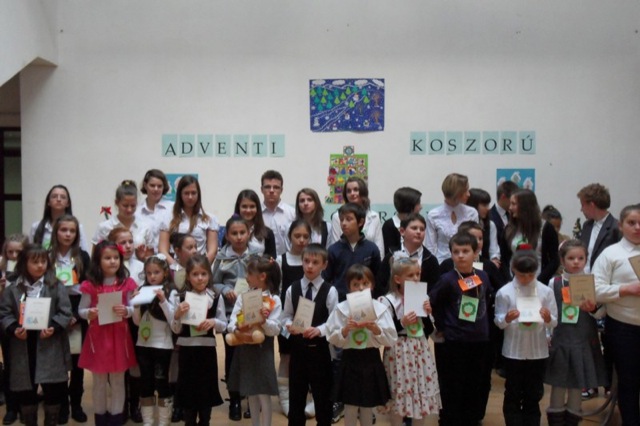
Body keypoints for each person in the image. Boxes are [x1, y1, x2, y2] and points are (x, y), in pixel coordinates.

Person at [0, 244, 72, 426]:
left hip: (49, 344)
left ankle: (51, 420)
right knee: (26, 388)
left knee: (53, 388)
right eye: (35, 262)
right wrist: (14, 329)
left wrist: (54, 327)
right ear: (24, 263)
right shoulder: (13, 288)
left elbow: (65, 312)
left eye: (43, 261)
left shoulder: (55, 285)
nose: (40, 265)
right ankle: (29, 420)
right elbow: (4, 313)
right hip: (22, 345)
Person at [429, 232, 493, 426]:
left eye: (465, 251)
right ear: (451, 255)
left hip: (479, 341)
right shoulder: (447, 279)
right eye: (456, 252)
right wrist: (441, 327)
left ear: (475, 253)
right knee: (452, 385)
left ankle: (471, 419)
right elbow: (434, 303)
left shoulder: (483, 276)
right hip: (454, 341)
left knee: (474, 384)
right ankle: (449, 420)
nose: (461, 256)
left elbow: (487, 298)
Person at [544, 240, 608, 426]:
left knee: (577, 384)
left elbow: (600, 313)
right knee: (558, 383)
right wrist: (547, 334)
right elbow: (549, 310)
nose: (576, 262)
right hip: (561, 340)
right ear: (562, 260)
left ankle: (572, 419)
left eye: (580, 258)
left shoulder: (592, 282)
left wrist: (593, 308)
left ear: (586, 259)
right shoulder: (554, 282)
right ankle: (556, 420)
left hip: (583, 340)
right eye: (571, 258)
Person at [327, 264, 397, 426]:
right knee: (350, 406)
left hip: (370, 359)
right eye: (355, 284)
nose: (360, 288)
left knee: (367, 406)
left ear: (372, 285)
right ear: (349, 287)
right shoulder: (341, 309)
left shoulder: (380, 309)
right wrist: (345, 330)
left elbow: (391, 339)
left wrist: (376, 329)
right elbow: (331, 337)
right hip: (349, 360)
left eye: (365, 283)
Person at [78, 241, 138, 426]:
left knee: (118, 380)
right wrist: (89, 313)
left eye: (116, 258)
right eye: (107, 258)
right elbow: (81, 310)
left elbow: (133, 308)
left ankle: (116, 418)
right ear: (98, 261)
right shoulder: (90, 285)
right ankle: (100, 418)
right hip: (98, 338)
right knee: (99, 381)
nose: (113, 261)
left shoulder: (127, 283)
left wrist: (126, 311)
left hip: (119, 337)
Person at [495, 250, 557, 426]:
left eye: (531, 275)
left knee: (534, 393)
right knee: (513, 392)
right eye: (522, 275)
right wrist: (507, 318)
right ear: (513, 269)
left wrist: (548, 318)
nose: (526, 279)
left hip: (538, 352)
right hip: (513, 351)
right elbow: (498, 322)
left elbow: (554, 322)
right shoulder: (505, 292)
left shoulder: (545, 291)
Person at [280, 243, 339, 426]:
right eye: (306, 261)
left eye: (315, 262)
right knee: (296, 400)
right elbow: (285, 316)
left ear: (324, 265)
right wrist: (289, 325)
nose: (310, 266)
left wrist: (319, 330)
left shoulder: (330, 291)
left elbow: (334, 320)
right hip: (298, 351)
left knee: (323, 401)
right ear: (301, 262)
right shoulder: (292, 288)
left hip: (321, 352)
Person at [380, 255, 441, 426]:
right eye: (410, 275)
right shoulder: (388, 300)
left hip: (419, 349)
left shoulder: (422, 297)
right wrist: (402, 322)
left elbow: (428, 329)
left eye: (418, 274)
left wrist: (427, 313)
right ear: (398, 279)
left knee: (420, 392)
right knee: (399, 394)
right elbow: (384, 332)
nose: (416, 278)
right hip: (398, 351)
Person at [593, 204, 640, 425]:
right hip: (623, 328)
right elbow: (595, 290)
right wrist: (625, 289)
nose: (637, 227)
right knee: (629, 382)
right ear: (621, 226)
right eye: (632, 223)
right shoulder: (610, 254)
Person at [170, 254, 226, 426]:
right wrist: (177, 315)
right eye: (195, 274)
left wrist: (213, 322)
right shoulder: (180, 298)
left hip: (207, 352)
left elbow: (223, 324)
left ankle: (205, 421)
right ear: (188, 276)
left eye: (203, 273)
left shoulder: (215, 297)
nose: (200, 278)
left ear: (209, 275)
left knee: (205, 393)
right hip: (187, 353)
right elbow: (175, 329)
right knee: (188, 394)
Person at [227, 255, 283, 426]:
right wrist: (237, 328)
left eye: (249, 273)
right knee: (251, 392)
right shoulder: (244, 296)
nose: (246, 277)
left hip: (263, 350)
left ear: (262, 276)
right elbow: (231, 323)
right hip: (245, 348)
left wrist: (264, 321)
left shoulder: (274, 299)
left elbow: (276, 329)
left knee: (263, 394)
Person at [212, 216, 257, 421]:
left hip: (253, 314)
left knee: (251, 356)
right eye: (234, 233)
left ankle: (252, 398)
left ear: (249, 233)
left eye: (242, 233)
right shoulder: (222, 258)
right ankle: (235, 399)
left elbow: (264, 280)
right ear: (227, 236)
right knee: (232, 356)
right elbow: (214, 283)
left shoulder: (256, 256)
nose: (239, 237)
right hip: (231, 316)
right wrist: (225, 289)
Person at [49, 215, 91, 423]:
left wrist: (75, 315)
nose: (67, 234)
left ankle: (76, 405)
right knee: (58, 363)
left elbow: (89, 287)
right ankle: (62, 406)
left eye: (72, 231)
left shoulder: (82, 256)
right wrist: (58, 318)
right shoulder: (48, 256)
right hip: (54, 312)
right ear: (56, 232)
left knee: (76, 364)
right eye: (63, 230)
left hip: (77, 312)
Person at [131, 254, 176, 426]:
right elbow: (137, 322)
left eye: (156, 272)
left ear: (165, 272)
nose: (152, 276)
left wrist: (163, 300)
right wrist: (135, 305)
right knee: (146, 384)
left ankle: (164, 422)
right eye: (149, 273)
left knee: (161, 382)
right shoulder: (142, 290)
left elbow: (174, 321)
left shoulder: (171, 292)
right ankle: (148, 422)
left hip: (163, 345)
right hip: (143, 345)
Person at [277, 219, 312, 417]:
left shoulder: (313, 260)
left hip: (311, 318)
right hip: (288, 319)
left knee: (311, 357)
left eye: (306, 236)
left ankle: (311, 397)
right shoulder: (281, 260)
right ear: (289, 236)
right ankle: (285, 398)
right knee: (286, 356)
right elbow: (277, 290)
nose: (301, 240)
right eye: (297, 236)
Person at [325, 203, 381, 301]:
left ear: (360, 222)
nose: (344, 223)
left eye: (348, 219)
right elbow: (327, 279)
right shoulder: (333, 250)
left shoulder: (372, 248)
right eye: (341, 219)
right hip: (340, 301)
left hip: (365, 300)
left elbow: (377, 279)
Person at [158, 175, 219, 265]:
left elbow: (212, 251)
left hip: (200, 267)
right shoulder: (168, 217)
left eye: (193, 193)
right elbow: (162, 250)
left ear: (198, 194)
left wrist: (200, 268)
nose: (190, 197)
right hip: (175, 266)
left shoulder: (209, 218)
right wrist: (176, 268)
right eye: (186, 193)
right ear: (180, 195)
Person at [377, 213, 440, 298]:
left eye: (422, 229)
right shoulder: (391, 256)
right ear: (402, 231)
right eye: (414, 228)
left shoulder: (431, 260)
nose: (418, 232)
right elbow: (380, 286)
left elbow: (435, 290)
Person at [0, 233, 28, 424]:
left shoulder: (33, 270)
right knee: (10, 363)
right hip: (7, 324)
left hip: (28, 322)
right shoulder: (2, 270)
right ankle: (11, 407)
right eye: (10, 252)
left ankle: (27, 403)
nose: (14, 256)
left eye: (19, 252)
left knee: (27, 364)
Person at [505, 189, 559, 284]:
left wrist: (540, 281)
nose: (510, 207)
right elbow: (504, 258)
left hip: (538, 281)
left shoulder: (546, 228)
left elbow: (554, 260)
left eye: (513, 204)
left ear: (525, 206)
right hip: (514, 282)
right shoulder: (509, 228)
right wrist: (509, 279)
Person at [93, 180, 154, 261]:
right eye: (125, 206)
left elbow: (150, 258)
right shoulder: (105, 227)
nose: (129, 209)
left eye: (133, 206)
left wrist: (142, 258)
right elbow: (95, 257)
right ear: (117, 203)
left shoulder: (145, 226)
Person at [426, 173, 479, 264]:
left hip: (467, 264)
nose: (469, 194)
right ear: (456, 192)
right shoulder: (433, 215)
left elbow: (477, 243)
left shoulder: (471, 213)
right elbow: (430, 247)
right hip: (441, 264)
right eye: (465, 191)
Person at [330, 177, 384, 256]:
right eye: (348, 191)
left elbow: (380, 249)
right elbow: (335, 248)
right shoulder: (337, 216)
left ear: (363, 192)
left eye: (356, 190)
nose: (352, 193)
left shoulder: (374, 217)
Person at [576, 183, 622, 273]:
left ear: (591, 205)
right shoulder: (587, 225)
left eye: (583, 205)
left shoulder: (616, 227)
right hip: (584, 276)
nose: (581, 209)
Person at [30, 184, 89, 251]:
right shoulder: (36, 226)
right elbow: (31, 252)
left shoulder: (77, 227)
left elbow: (84, 252)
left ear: (68, 203)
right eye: (54, 196)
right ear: (48, 202)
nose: (58, 199)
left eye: (63, 197)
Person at [136, 169, 174, 251]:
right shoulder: (137, 212)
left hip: (169, 256)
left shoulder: (172, 208)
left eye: (159, 186)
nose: (156, 189)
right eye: (152, 185)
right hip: (144, 257)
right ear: (145, 185)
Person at [260, 170, 296, 256]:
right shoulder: (256, 214)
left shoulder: (292, 213)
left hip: (286, 261)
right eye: (267, 187)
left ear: (281, 190)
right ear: (261, 190)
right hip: (262, 262)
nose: (271, 191)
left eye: (276, 187)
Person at [233, 189, 277, 258]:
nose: (248, 210)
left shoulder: (267, 233)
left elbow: (271, 259)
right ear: (238, 208)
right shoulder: (230, 232)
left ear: (257, 208)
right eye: (244, 206)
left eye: (252, 206)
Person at [490, 180, 519, 281]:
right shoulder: (489, 216)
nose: (513, 205)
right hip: (497, 268)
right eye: (512, 201)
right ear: (503, 197)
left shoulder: (515, 216)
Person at [382, 187, 422, 256]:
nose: (421, 207)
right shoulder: (389, 226)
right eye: (418, 204)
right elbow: (389, 253)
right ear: (409, 205)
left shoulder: (419, 222)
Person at [467, 188, 501, 267]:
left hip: (485, 264)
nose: (488, 208)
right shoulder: (464, 225)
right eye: (484, 205)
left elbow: (494, 249)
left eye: (488, 205)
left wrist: (494, 259)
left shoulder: (490, 225)